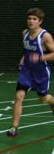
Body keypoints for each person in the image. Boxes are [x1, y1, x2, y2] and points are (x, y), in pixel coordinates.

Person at [6, 8, 54, 137]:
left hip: (41, 72)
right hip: (27, 70)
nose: (31, 21)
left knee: (43, 99)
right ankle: (14, 127)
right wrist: (23, 58)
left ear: (40, 21)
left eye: (34, 19)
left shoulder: (45, 36)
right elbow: (27, 50)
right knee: (18, 96)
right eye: (29, 19)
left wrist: (40, 58)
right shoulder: (25, 33)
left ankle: (52, 101)